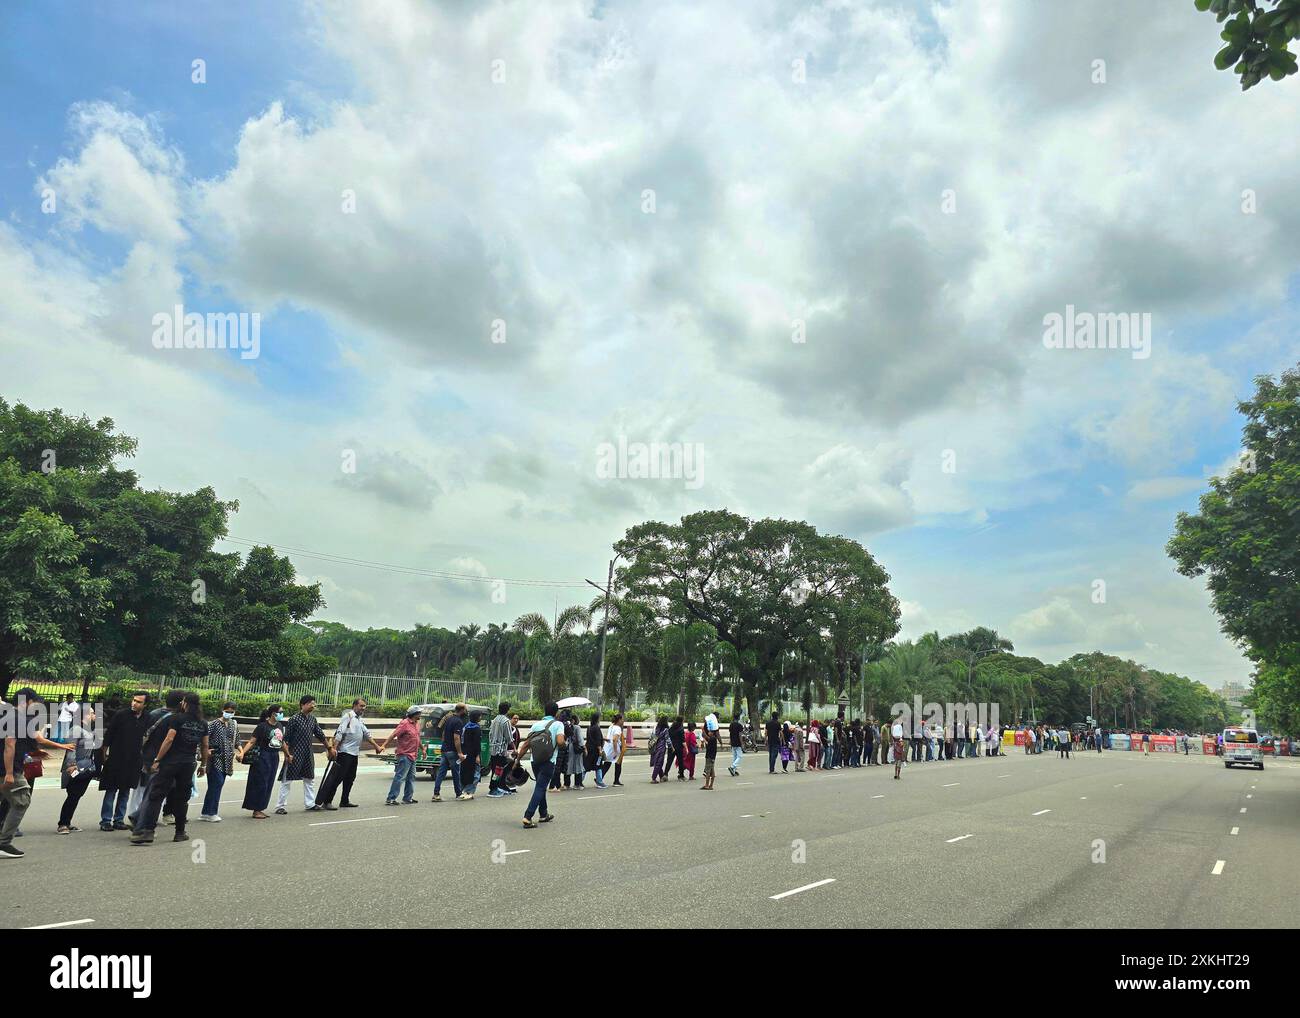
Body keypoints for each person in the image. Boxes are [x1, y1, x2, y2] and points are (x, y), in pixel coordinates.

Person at [131, 691, 209, 846]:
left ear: (185, 703)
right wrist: (204, 764)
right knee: (182, 798)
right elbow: (205, 745)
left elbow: (169, 739)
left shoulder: (176, 719)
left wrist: (157, 759)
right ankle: (180, 832)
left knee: (156, 795)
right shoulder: (202, 723)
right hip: (188, 764)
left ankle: (147, 830)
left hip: (170, 762)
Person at [127, 690, 184, 829]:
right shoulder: (177, 718)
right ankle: (140, 817)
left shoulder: (153, 714)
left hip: (147, 755)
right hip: (162, 758)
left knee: (142, 789)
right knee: (155, 789)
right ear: (180, 702)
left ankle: (139, 815)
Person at [97, 690, 148, 831]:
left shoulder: (146, 718)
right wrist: (104, 755)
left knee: (125, 791)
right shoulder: (121, 715)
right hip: (116, 758)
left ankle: (119, 819)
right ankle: (105, 820)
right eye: (134, 700)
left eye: (138, 702)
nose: (134, 703)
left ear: (145, 704)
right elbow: (109, 735)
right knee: (111, 790)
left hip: (133, 761)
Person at [318, 698, 381, 809]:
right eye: (361, 706)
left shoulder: (359, 719)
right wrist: (334, 750)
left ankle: (344, 800)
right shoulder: (348, 716)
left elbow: (366, 734)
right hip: (344, 753)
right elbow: (340, 732)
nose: (363, 708)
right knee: (337, 778)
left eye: (365, 706)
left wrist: (376, 746)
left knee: (350, 778)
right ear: (354, 706)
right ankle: (327, 802)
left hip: (354, 754)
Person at [276, 696, 334, 813]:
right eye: (310, 704)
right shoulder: (294, 719)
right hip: (294, 753)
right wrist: (287, 754)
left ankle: (310, 804)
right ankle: (280, 806)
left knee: (309, 779)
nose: (312, 706)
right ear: (302, 705)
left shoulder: (313, 719)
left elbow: (320, 735)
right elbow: (285, 739)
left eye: (314, 704)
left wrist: (329, 748)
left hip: (308, 753)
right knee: (287, 780)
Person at [520, 702, 565, 828]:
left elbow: (526, 744)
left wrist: (518, 760)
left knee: (541, 786)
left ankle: (543, 814)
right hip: (549, 761)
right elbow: (560, 741)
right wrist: (564, 743)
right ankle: (528, 817)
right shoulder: (558, 724)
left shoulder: (536, 725)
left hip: (535, 761)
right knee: (540, 787)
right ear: (556, 713)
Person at [57, 706, 100, 834]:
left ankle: (67, 822)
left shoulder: (88, 730)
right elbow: (71, 749)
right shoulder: (76, 729)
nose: (94, 715)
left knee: (77, 795)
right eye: (92, 713)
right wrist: (71, 765)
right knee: (73, 794)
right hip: (75, 767)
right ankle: (63, 824)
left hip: (86, 767)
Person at [238, 705, 286, 819]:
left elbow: (282, 742)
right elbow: (251, 742)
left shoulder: (280, 726)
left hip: (274, 757)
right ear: (273, 714)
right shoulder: (262, 727)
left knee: (269, 783)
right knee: (260, 783)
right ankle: (256, 809)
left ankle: (260, 808)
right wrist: (242, 753)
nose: (282, 714)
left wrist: (287, 754)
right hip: (263, 757)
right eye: (280, 712)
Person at [199, 701, 239, 822]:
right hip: (214, 759)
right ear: (223, 710)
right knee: (216, 784)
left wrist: (241, 751)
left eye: (232, 712)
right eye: (227, 711)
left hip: (227, 760)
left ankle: (206, 812)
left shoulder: (233, 724)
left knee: (215, 786)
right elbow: (202, 738)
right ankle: (211, 812)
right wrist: (205, 751)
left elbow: (237, 740)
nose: (229, 714)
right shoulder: (214, 724)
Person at [379, 706, 423, 806]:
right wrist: (383, 745)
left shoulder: (417, 724)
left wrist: (423, 749)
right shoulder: (404, 723)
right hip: (404, 755)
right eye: (418, 713)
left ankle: (408, 798)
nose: (420, 715)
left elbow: (417, 738)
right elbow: (393, 735)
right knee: (400, 777)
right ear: (414, 714)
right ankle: (391, 798)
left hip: (413, 755)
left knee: (411, 777)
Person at [432, 703, 467, 802]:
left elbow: (443, 734)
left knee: (441, 773)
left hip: (445, 750)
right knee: (456, 773)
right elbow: (456, 738)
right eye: (465, 709)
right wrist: (460, 752)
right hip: (452, 751)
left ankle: (436, 793)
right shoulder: (458, 722)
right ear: (462, 710)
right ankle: (458, 793)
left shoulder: (449, 719)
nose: (466, 712)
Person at [488, 702, 515, 798]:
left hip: (493, 749)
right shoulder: (506, 721)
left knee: (495, 769)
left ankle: (495, 786)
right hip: (501, 750)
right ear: (507, 710)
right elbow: (509, 737)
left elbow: (490, 734)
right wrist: (514, 749)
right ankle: (493, 788)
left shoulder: (494, 720)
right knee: (498, 770)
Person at [458, 710, 483, 800]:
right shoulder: (476, 728)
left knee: (464, 772)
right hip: (473, 754)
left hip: (465, 753)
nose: (481, 717)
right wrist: (477, 755)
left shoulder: (465, 727)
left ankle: (463, 790)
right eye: (480, 716)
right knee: (475, 773)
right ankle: (469, 791)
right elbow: (477, 744)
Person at [585, 712, 610, 788]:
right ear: (597, 719)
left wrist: (604, 739)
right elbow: (598, 740)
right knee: (598, 766)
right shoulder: (597, 727)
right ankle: (600, 782)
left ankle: (579, 781)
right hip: (596, 750)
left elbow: (590, 738)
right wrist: (600, 750)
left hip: (589, 749)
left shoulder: (589, 727)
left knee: (586, 766)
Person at [609, 713, 626, 786]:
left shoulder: (611, 726)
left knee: (607, 764)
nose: (623, 721)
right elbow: (614, 739)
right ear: (619, 720)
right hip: (615, 748)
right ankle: (616, 781)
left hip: (609, 748)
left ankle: (599, 778)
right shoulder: (618, 728)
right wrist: (616, 751)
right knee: (618, 764)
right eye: (622, 719)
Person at [701, 718, 718, 790]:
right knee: (712, 771)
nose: (709, 732)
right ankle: (710, 785)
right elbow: (708, 743)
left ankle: (707, 785)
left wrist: (703, 730)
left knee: (708, 771)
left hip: (709, 757)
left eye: (710, 731)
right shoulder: (713, 739)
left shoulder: (712, 738)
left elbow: (705, 736)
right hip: (712, 757)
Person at [668, 716, 687, 781]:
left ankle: (665, 774)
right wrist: (686, 748)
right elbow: (683, 740)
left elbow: (668, 736)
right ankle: (681, 776)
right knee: (680, 762)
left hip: (672, 747)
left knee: (669, 761)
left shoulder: (671, 727)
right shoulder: (681, 728)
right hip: (679, 747)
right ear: (682, 721)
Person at [891, 715, 906, 780]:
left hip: (895, 748)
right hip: (899, 749)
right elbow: (901, 737)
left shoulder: (893, 728)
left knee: (896, 762)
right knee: (899, 763)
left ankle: (895, 774)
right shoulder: (900, 728)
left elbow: (893, 736)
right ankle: (898, 775)